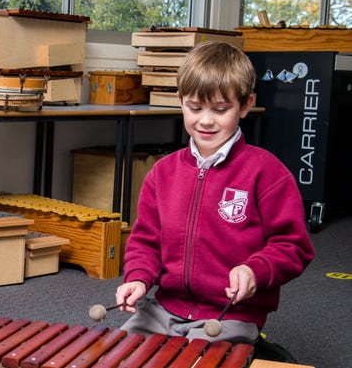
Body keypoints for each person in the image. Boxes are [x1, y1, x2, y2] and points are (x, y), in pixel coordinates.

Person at [115, 41, 314, 344]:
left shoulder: (267, 173)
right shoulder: (162, 173)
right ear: (180, 101)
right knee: (116, 359)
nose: (206, 120)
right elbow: (145, 241)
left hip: (230, 315)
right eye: (194, 108)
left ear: (246, 105)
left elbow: (293, 246)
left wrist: (254, 270)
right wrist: (139, 278)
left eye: (221, 109)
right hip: (162, 309)